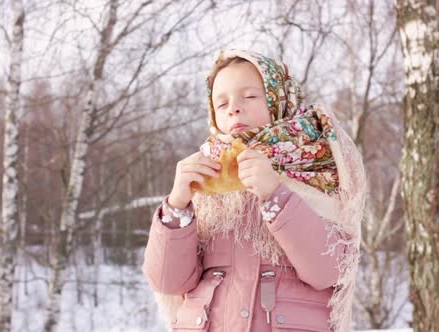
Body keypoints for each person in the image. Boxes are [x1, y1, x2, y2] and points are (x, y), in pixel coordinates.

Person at [142, 49, 366, 332]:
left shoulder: (318, 165)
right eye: (221, 103)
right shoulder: (206, 177)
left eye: (249, 96)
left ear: (279, 99)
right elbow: (169, 282)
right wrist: (176, 206)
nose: (234, 108)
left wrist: (276, 194)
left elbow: (327, 272)